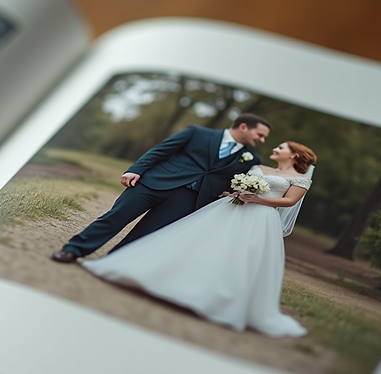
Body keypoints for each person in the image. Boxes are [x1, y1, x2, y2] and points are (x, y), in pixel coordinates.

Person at [82, 141, 317, 338]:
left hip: (261, 218)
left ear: (294, 154)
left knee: (235, 255)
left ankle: (218, 298)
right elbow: (232, 182)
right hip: (230, 208)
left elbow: (289, 202)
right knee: (200, 245)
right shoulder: (257, 166)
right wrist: (235, 193)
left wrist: (257, 199)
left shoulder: (300, 179)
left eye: (281, 147)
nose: (275, 148)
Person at [51, 113, 271, 263]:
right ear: (243, 127)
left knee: (148, 233)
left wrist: (230, 194)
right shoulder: (197, 133)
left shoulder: (251, 158)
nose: (261, 140)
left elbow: (231, 180)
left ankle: (111, 263)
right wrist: (135, 169)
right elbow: (161, 151)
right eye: (259, 134)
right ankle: (73, 250)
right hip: (153, 183)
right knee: (116, 216)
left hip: (189, 199)